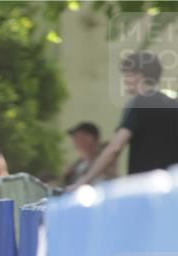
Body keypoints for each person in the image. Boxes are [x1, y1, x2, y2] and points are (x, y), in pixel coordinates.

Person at [71, 52, 178, 187]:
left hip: (144, 188)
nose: (125, 81)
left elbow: (115, 148)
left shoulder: (139, 103)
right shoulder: (174, 105)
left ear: (140, 75)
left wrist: (84, 181)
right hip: (172, 189)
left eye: (128, 75)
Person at [62, 122, 116, 187]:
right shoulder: (78, 164)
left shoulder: (104, 159)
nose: (74, 140)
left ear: (90, 138)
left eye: (77, 136)